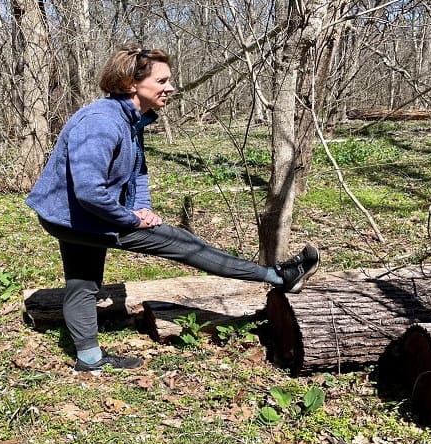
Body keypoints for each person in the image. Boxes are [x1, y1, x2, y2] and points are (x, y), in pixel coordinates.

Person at [26, 44, 320, 372]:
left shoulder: (130, 119)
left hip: (76, 216)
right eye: (162, 80)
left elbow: (137, 171)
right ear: (131, 83)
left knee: (82, 281)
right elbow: (89, 192)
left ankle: (89, 359)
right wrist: (131, 219)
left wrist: (143, 207)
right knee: (184, 244)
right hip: (75, 217)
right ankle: (279, 276)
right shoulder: (100, 123)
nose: (171, 87)